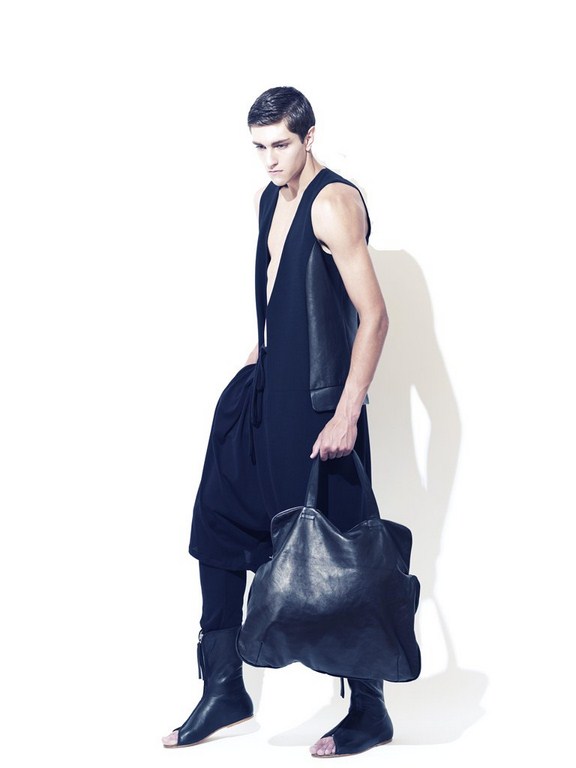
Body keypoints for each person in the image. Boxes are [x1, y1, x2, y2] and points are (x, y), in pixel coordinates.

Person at [162, 86, 390, 757]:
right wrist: (259, 352)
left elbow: (375, 316)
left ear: (309, 136)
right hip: (265, 390)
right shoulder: (271, 196)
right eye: (259, 146)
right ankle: (224, 689)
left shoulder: (334, 203)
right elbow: (282, 292)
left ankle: (369, 708)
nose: (269, 159)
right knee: (216, 526)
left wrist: (347, 413)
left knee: (341, 550)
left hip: (318, 409)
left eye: (281, 144)